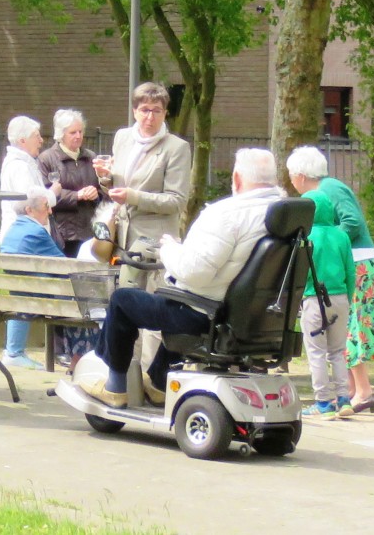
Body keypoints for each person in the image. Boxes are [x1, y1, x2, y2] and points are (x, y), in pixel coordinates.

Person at [76, 147, 284, 408]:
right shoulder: (282, 214)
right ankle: (160, 383)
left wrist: (169, 248)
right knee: (170, 298)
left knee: (122, 301)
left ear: (238, 178)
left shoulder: (228, 214)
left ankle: (115, 387)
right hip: (253, 315)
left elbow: (194, 272)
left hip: (204, 313)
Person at [286, 145, 374, 413]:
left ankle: (362, 391)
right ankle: (348, 391)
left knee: (349, 328)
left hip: (356, 262)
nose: (292, 183)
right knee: (344, 327)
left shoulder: (327, 190)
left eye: (292, 176)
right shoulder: (326, 191)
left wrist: (328, 241)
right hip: (346, 266)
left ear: (302, 175)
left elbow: (351, 221)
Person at [96, 83, 193, 256]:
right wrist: (105, 177)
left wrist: (133, 197)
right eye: (144, 110)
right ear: (135, 111)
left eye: (156, 110)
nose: (150, 117)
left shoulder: (177, 148)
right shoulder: (122, 137)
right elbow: (116, 187)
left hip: (153, 242)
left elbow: (177, 201)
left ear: (164, 113)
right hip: (120, 238)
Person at [299, 187, 356, 420]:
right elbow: (350, 271)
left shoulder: (306, 238)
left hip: (314, 299)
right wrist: (348, 297)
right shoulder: (341, 235)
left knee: (316, 352)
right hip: (340, 297)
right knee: (337, 351)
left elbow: (301, 273)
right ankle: (344, 399)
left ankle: (323, 402)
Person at [0, 187, 65, 369]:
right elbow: (64, 266)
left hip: (20, 296)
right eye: (46, 206)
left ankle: (13, 351)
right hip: (37, 298)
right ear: (29, 210)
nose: (50, 211)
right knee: (86, 300)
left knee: (23, 295)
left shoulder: (12, 232)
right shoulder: (36, 232)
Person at [40, 109, 101, 253]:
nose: (78, 136)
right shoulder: (47, 159)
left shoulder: (91, 157)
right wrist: (76, 196)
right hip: (62, 233)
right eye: (73, 132)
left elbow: (104, 192)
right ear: (61, 135)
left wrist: (96, 193)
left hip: (89, 232)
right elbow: (45, 195)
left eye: (80, 131)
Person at [0, 116, 57, 242]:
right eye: (36, 136)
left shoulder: (24, 163)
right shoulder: (19, 166)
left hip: (24, 234)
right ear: (22, 140)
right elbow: (29, 198)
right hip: (23, 237)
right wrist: (52, 194)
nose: (41, 141)